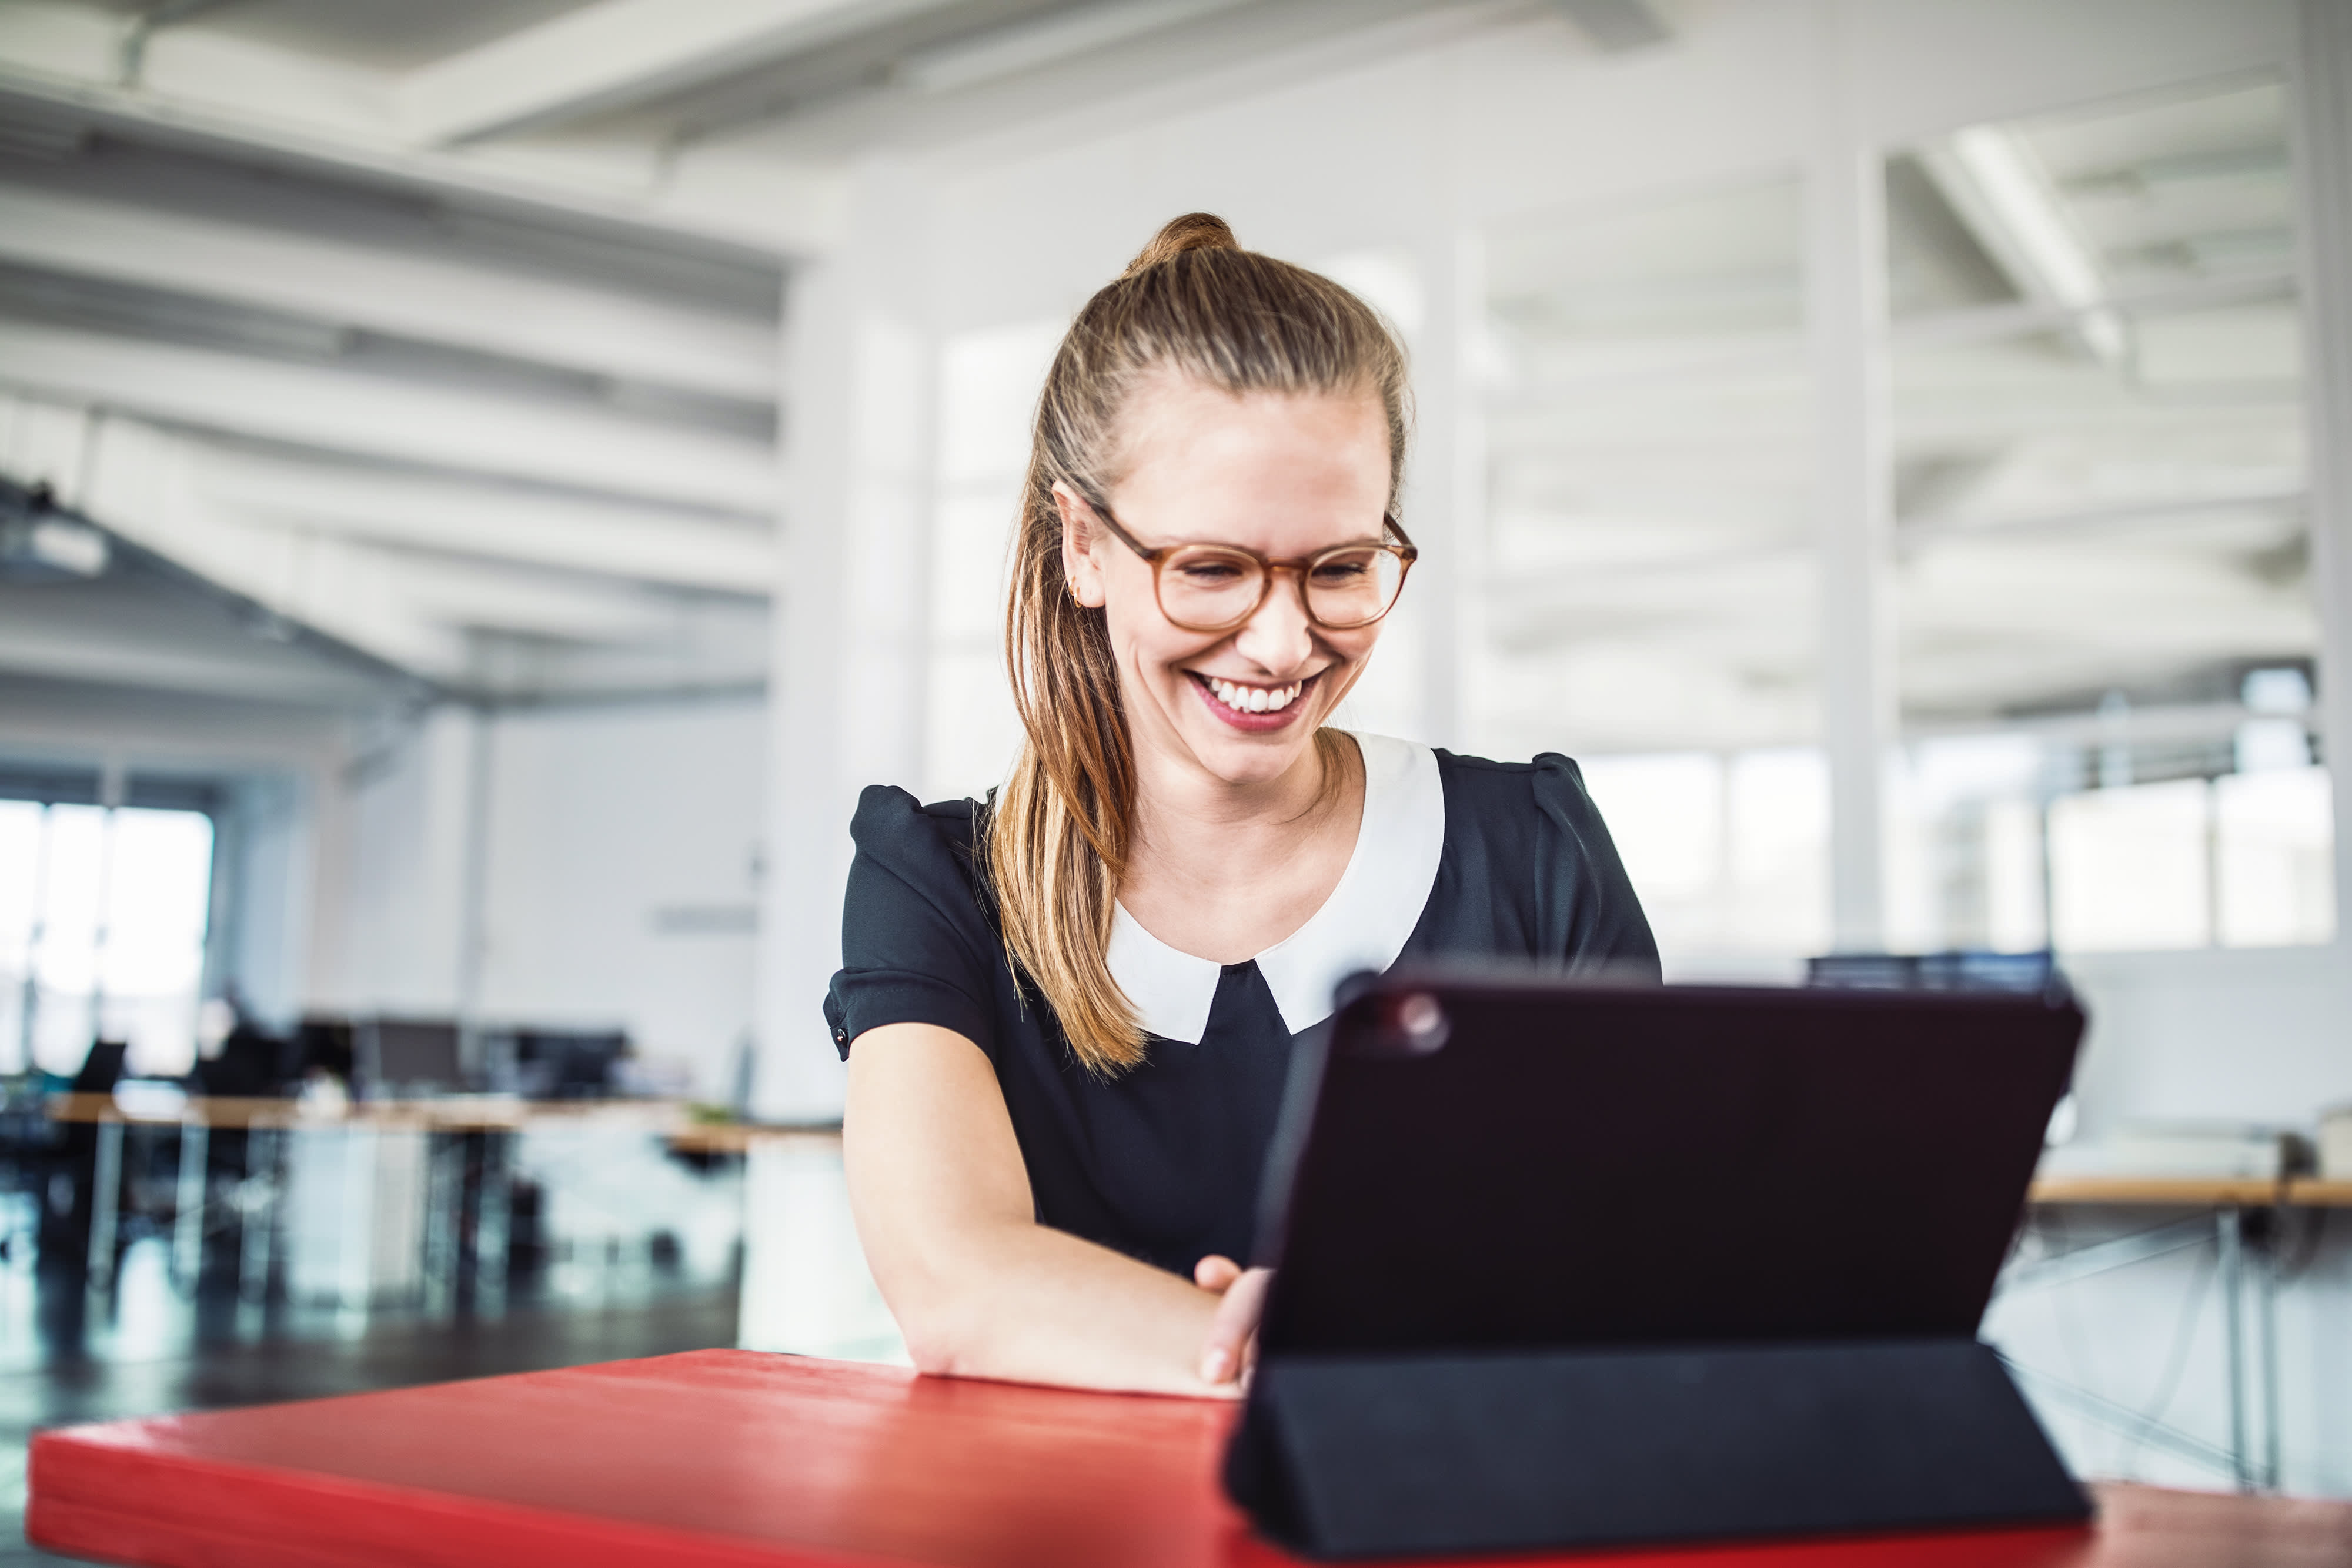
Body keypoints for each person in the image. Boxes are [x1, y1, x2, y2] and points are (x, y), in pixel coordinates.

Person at [827, 213, 1658, 1398]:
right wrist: (1319, 1339)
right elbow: (955, 1285)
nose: (1280, 641)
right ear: (1082, 545)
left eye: (1337, 566)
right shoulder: (941, 880)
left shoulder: (1529, 850)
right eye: (1211, 567)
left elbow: (1642, 1259)